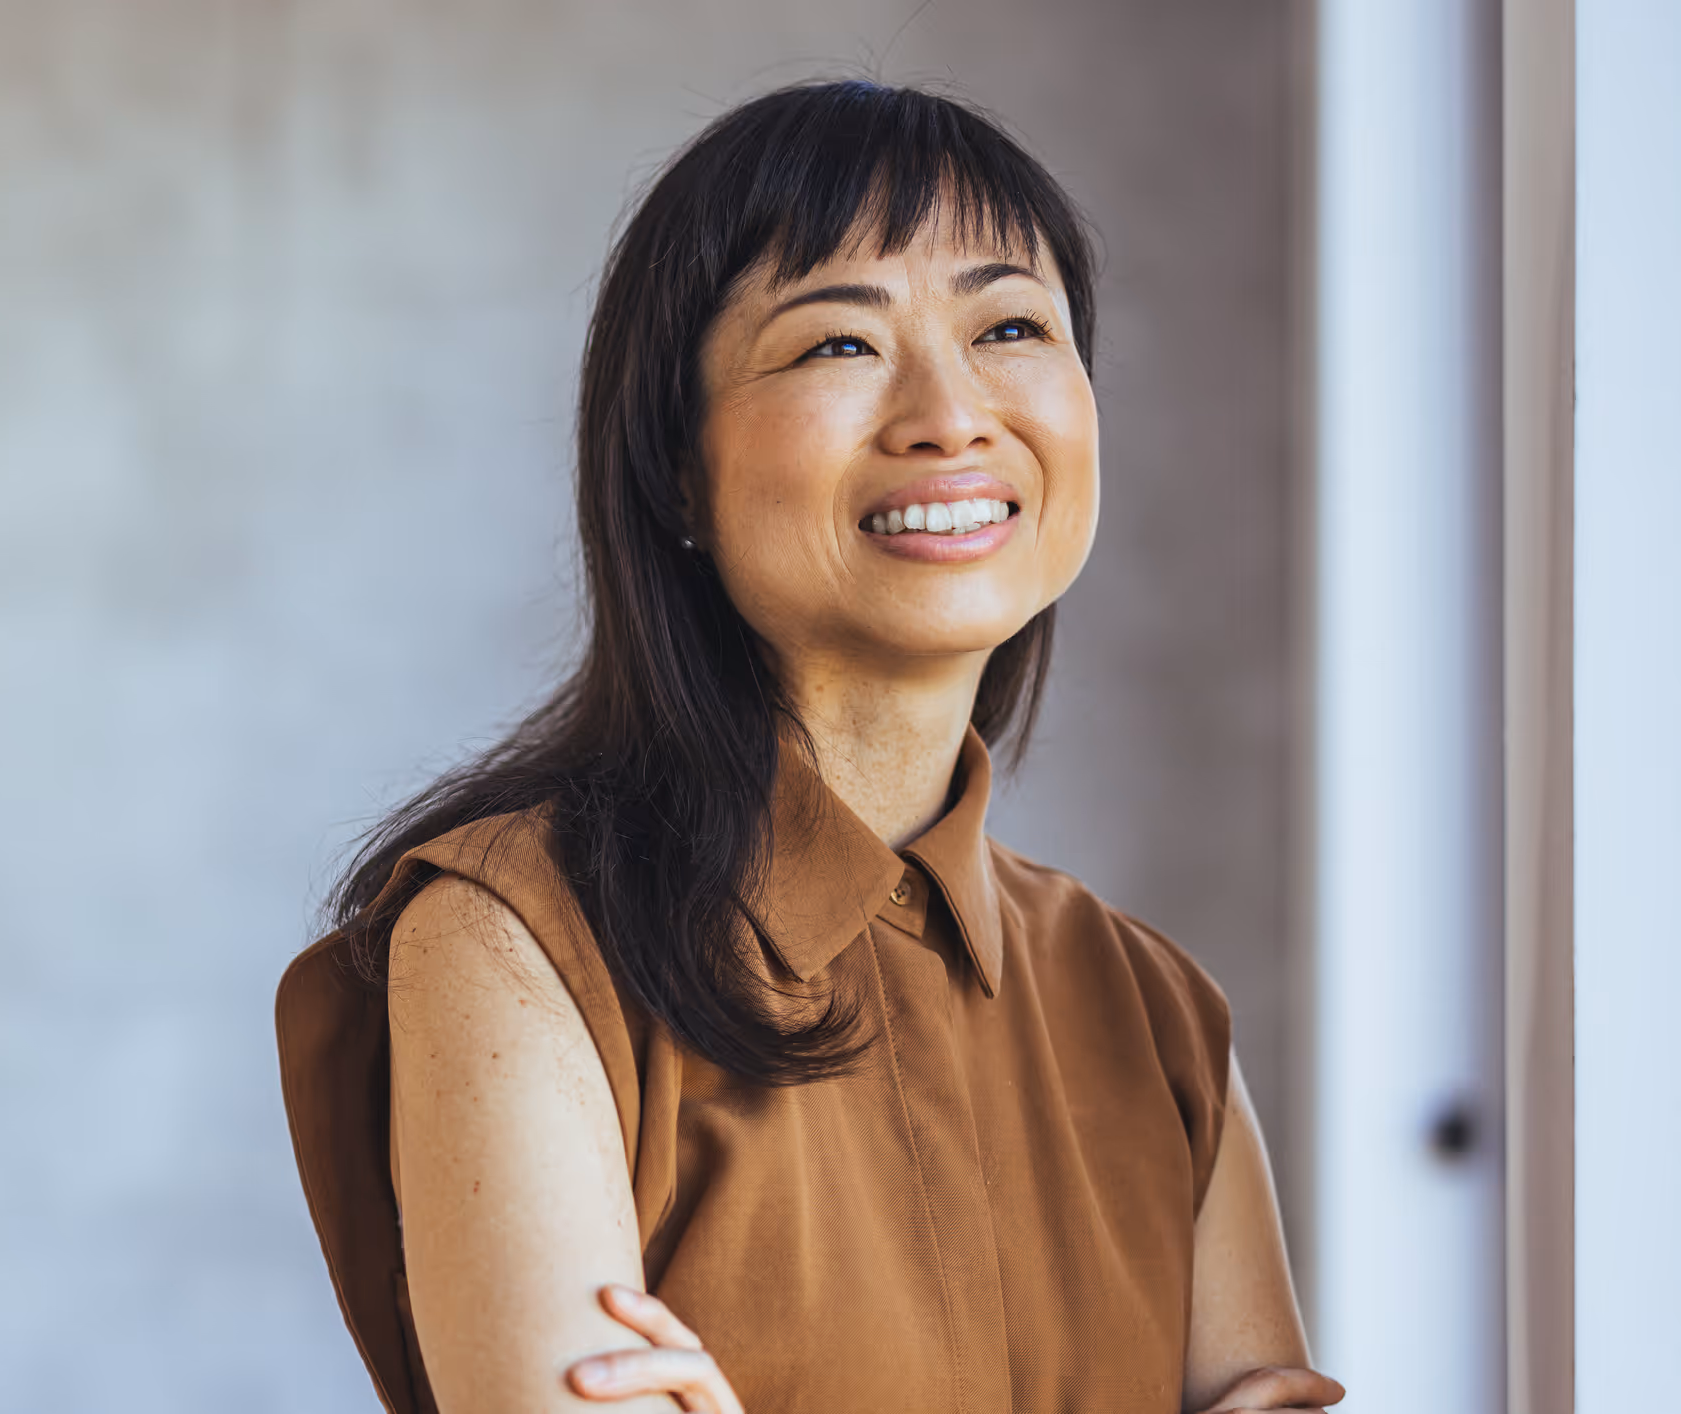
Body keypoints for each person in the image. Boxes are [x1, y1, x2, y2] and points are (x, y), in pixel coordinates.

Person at [278, 80, 1343, 1414]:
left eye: (1011, 325)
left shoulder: (1155, 1013)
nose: (950, 415)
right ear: (677, 464)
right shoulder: (510, 936)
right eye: (841, 344)